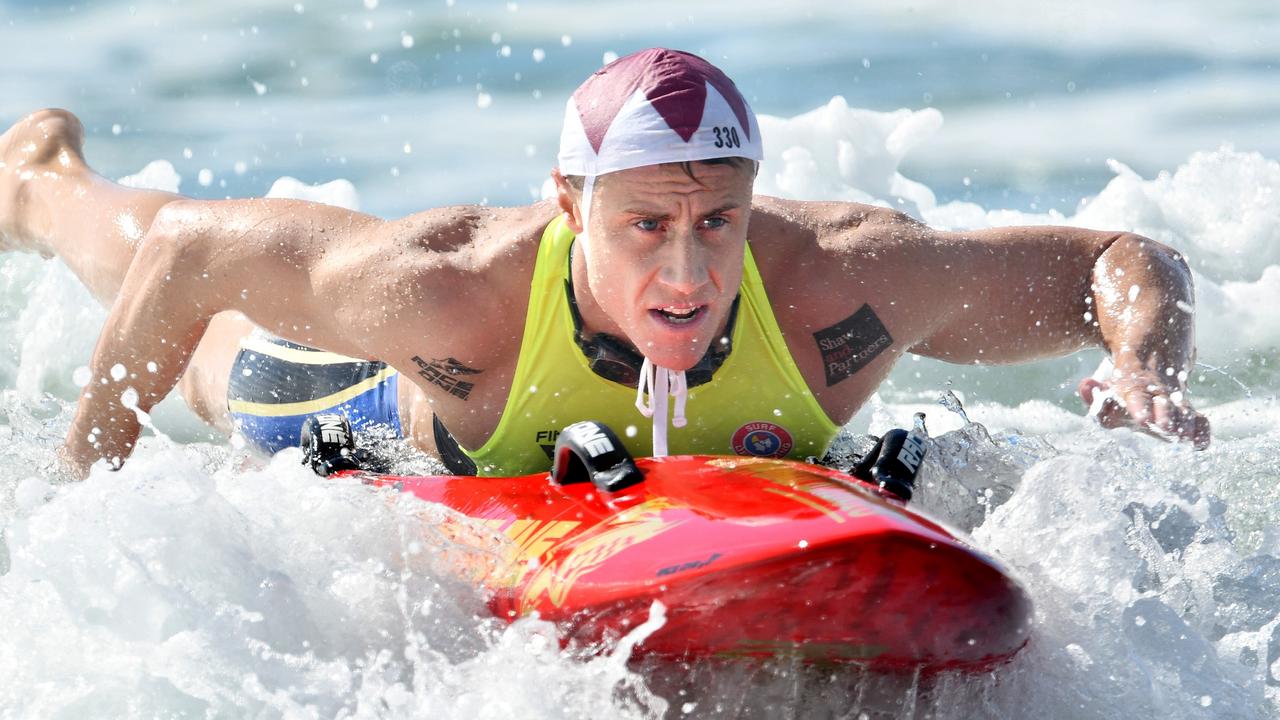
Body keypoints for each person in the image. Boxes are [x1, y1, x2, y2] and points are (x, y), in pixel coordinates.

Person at [0, 48, 1209, 479]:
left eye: (718, 219)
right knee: (222, 342)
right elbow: (189, 252)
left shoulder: (845, 280)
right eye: (643, 226)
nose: (689, 265)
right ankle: (42, 182)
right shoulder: (449, 288)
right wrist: (82, 487)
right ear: (569, 206)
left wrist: (1142, 365)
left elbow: (1118, 256)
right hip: (371, 409)